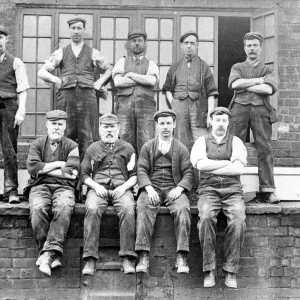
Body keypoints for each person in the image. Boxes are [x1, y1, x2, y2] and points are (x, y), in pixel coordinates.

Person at [38, 17, 112, 160]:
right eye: (73, 28)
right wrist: (56, 79)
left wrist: (100, 82)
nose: (76, 31)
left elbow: (109, 69)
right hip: (66, 98)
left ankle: (86, 175)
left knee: (88, 135)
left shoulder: (92, 52)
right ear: (69, 30)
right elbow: (41, 72)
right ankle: (64, 173)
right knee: (65, 134)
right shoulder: (61, 52)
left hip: (87, 98)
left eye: (79, 28)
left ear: (84, 30)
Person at [191, 107, 247, 288]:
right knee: (206, 218)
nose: (220, 124)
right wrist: (226, 162)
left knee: (238, 220)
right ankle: (209, 270)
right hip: (208, 189)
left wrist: (211, 165)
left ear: (228, 123)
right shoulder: (201, 141)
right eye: (217, 120)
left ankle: (230, 271)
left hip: (232, 190)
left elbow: (238, 169)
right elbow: (200, 164)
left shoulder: (236, 141)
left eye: (224, 120)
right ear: (211, 121)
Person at [135, 109, 193, 274]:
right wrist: (148, 188)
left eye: (168, 123)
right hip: (152, 187)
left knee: (182, 208)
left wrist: (180, 188)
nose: (165, 127)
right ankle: (143, 255)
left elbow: (189, 172)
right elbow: (141, 170)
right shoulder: (148, 146)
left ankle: (182, 255)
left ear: (174, 125)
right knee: (143, 207)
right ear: (157, 126)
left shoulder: (181, 148)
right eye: (162, 124)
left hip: (173, 187)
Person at [25, 110, 80, 277]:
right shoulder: (37, 144)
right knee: (38, 207)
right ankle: (50, 254)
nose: (56, 127)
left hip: (64, 187)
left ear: (65, 126)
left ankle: (46, 255)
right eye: (53, 124)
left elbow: (72, 173)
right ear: (47, 125)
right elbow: (32, 168)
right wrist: (58, 164)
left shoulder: (72, 146)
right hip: (39, 186)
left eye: (60, 124)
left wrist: (44, 169)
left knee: (64, 206)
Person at [81, 113, 137, 276]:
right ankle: (90, 259)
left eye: (112, 127)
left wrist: (124, 187)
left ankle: (127, 257)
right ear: (100, 129)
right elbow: (84, 175)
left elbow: (135, 175)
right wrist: (96, 186)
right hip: (99, 190)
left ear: (118, 128)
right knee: (91, 208)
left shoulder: (128, 148)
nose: (109, 131)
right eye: (106, 127)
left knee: (128, 209)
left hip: (122, 189)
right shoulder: (92, 149)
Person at [228, 32, 279, 203]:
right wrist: (258, 81)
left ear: (261, 48)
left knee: (264, 148)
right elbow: (234, 85)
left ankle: (268, 190)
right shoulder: (237, 67)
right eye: (249, 45)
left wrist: (245, 84)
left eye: (255, 45)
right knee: (234, 147)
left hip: (260, 110)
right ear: (244, 48)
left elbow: (269, 90)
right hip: (238, 109)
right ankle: (232, 187)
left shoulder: (268, 69)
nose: (251, 48)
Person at [163, 30, 218, 150]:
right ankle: (182, 168)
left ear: (197, 45)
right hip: (179, 106)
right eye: (186, 43)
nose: (189, 46)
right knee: (180, 140)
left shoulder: (204, 66)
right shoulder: (175, 66)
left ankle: (200, 168)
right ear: (182, 45)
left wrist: (210, 114)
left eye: (192, 43)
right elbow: (167, 89)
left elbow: (211, 93)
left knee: (201, 140)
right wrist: (173, 103)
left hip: (198, 107)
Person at [112, 30, 159, 155]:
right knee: (124, 140)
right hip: (124, 108)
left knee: (146, 141)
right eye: (134, 41)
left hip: (146, 109)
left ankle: (145, 173)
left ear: (145, 43)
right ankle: (126, 172)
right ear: (129, 44)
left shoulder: (151, 63)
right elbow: (118, 82)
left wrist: (131, 74)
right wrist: (141, 78)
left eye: (140, 41)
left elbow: (151, 81)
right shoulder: (122, 61)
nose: (137, 44)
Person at [0, 25, 29, 203]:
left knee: (9, 150)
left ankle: (11, 191)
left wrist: (21, 110)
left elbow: (23, 89)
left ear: (6, 40)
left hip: (8, 107)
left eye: (0, 39)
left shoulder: (15, 62)